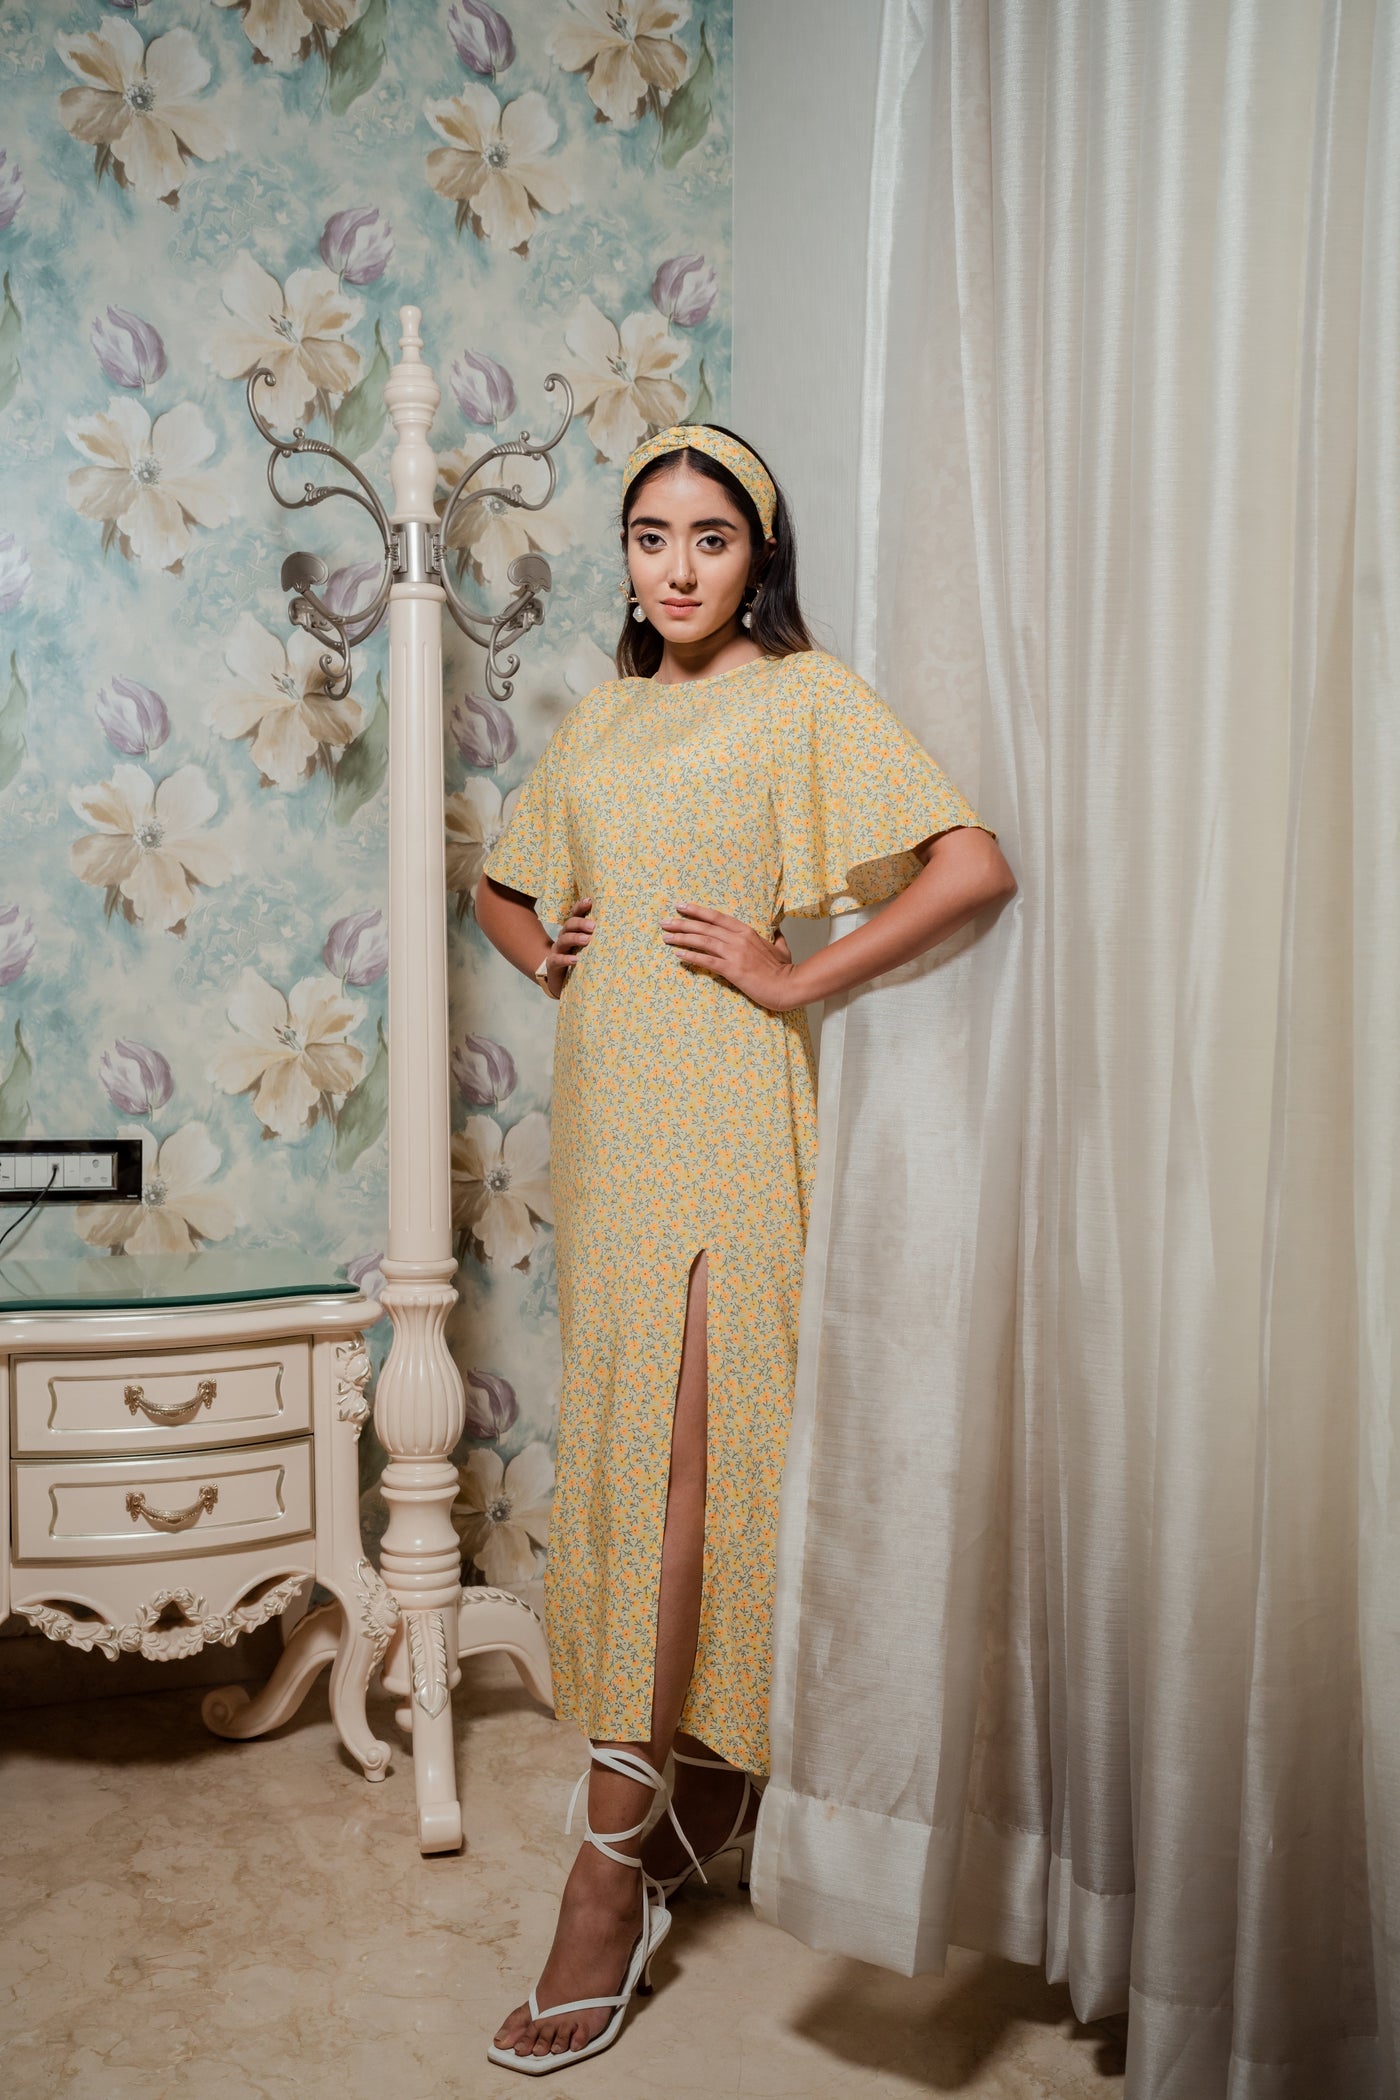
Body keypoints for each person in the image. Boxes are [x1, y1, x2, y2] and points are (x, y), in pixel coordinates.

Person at [475, 424, 1017, 2072]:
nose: (678, 565)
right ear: (626, 554)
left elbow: (972, 865)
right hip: (608, 1124)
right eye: (652, 535)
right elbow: (504, 888)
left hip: (728, 1117)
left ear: (755, 557)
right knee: (628, 1460)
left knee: (691, 1477)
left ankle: (607, 1868)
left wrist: (794, 976)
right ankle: (697, 1792)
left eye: (711, 537)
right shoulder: (603, 716)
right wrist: (549, 953)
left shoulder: (803, 698)